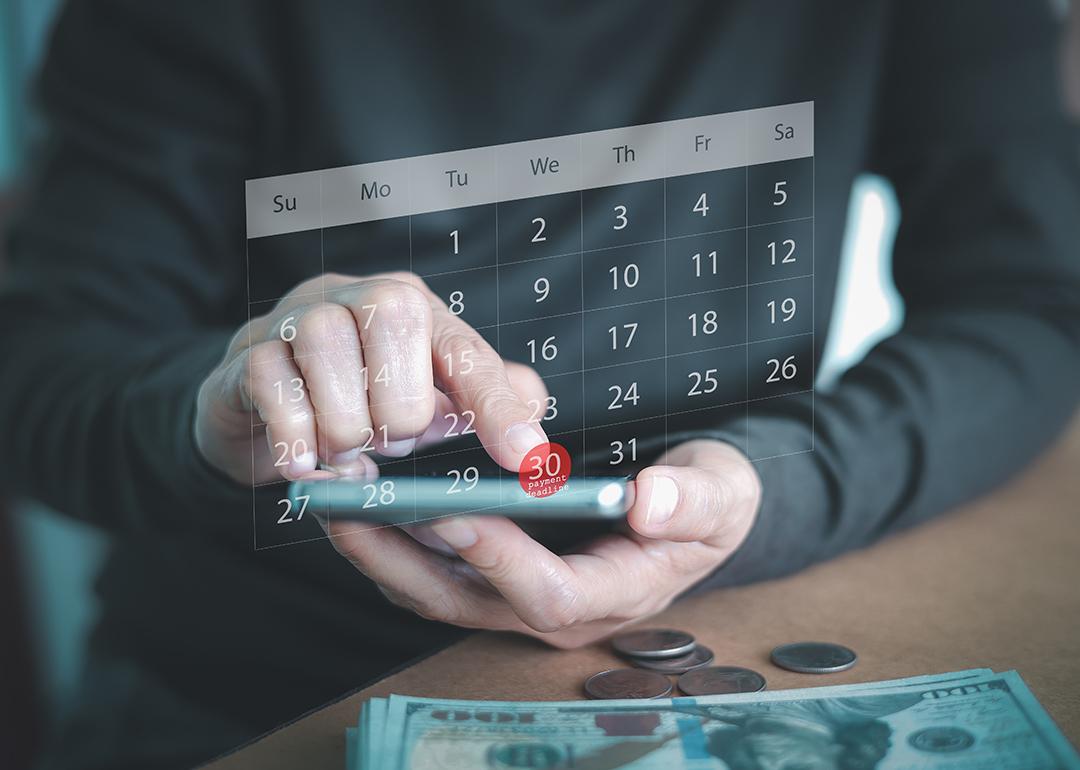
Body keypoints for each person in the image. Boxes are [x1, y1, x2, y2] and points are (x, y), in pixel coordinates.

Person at [2, 1, 1077, 768]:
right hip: (241, 695)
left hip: (727, 640)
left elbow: (1031, 300)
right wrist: (211, 410)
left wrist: (774, 484)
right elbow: (39, 372)